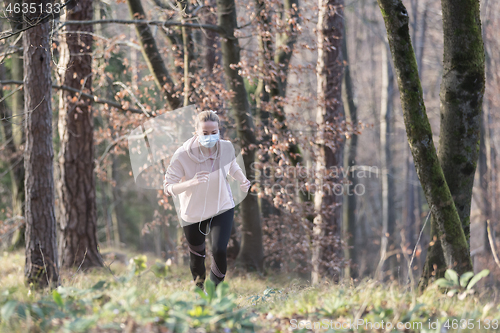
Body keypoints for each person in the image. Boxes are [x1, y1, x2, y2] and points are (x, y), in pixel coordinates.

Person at [163, 110, 251, 291]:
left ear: (219, 130)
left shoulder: (226, 147)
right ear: (196, 132)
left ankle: (215, 292)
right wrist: (191, 182)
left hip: (222, 206)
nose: (210, 137)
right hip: (193, 212)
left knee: (219, 250)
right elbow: (168, 187)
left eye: (214, 132)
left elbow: (232, 164)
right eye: (205, 133)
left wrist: (242, 179)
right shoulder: (182, 155)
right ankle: (199, 291)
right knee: (197, 255)